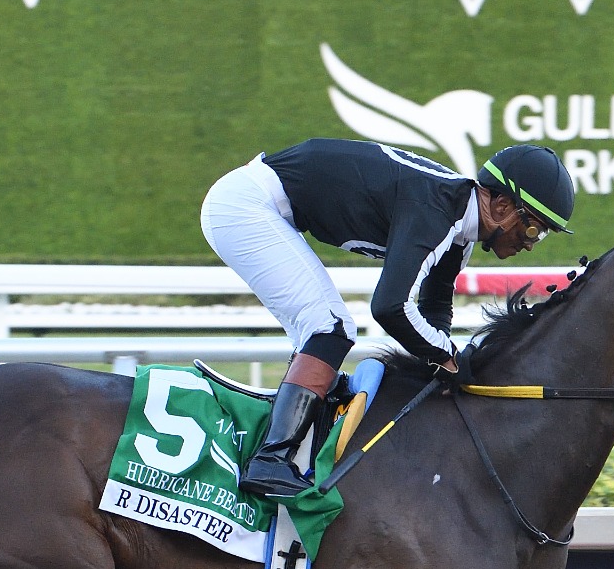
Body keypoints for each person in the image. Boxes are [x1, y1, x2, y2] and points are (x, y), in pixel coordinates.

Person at [200, 139, 577, 499]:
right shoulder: (439, 212)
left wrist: (440, 365)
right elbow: (390, 307)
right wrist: (447, 355)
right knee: (330, 329)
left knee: (324, 331)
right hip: (247, 207)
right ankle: (270, 460)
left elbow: (433, 308)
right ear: (500, 204)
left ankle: (295, 444)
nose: (530, 241)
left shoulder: (458, 230)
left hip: (263, 207)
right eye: (533, 228)